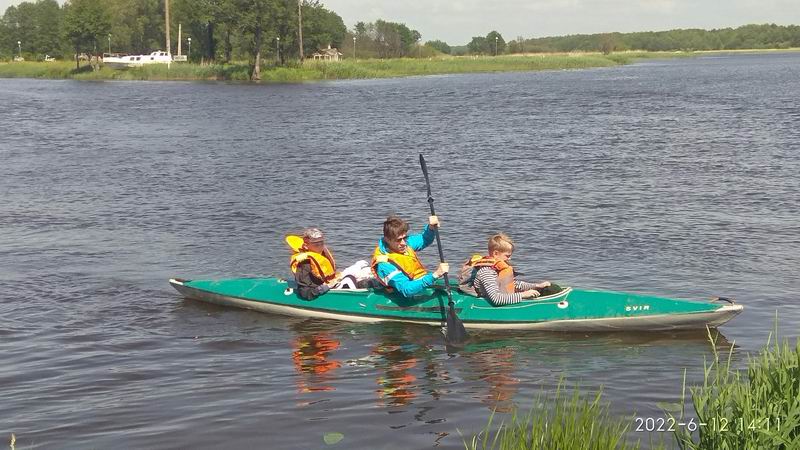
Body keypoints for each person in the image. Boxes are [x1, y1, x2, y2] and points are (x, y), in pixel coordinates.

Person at [459, 233, 561, 306]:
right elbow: (496, 299)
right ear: (495, 254)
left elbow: (512, 284)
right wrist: (524, 295)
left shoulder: (498, 268)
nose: (510, 258)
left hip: (505, 297)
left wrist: (536, 286)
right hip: (489, 303)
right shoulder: (486, 272)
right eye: (507, 256)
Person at [370, 215, 449, 298]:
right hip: (403, 292)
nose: (404, 243)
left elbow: (424, 239)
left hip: (419, 281)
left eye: (405, 237)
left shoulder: (405, 243)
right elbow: (406, 289)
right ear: (387, 240)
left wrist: (431, 228)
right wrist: (435, 275)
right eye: (398, 240)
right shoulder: (384, 265)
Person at [287, 228, 341, 300]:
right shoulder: (304, 263)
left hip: (331, 283)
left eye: (321, 243)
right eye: (316, 244)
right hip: (318, 290)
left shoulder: (323, 255)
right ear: (306, 245)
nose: (320, 246)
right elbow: (305, 293)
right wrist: (325, 287)